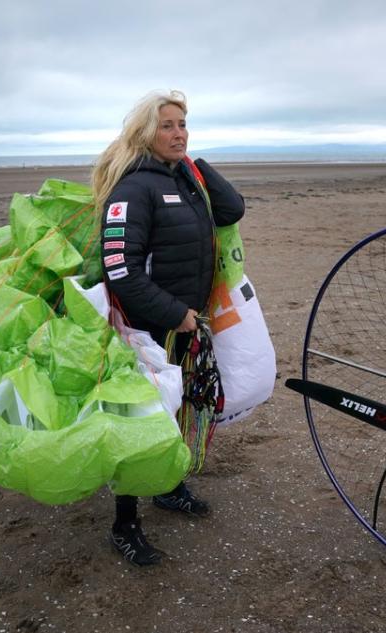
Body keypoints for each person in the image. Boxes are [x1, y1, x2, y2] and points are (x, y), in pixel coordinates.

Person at [91, 90, 245, 565]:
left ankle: (169, 487)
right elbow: (121, 269)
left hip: (184, 325)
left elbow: (233, 209)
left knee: (177, 413)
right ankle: (124, 523)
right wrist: (174, 314)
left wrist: (197, 164)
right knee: (140, 425)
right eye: (167, 126)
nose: (179, 132)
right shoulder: (132, 189)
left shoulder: (185, 181)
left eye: (183, 124)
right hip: (146, 330)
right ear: (144, 134)